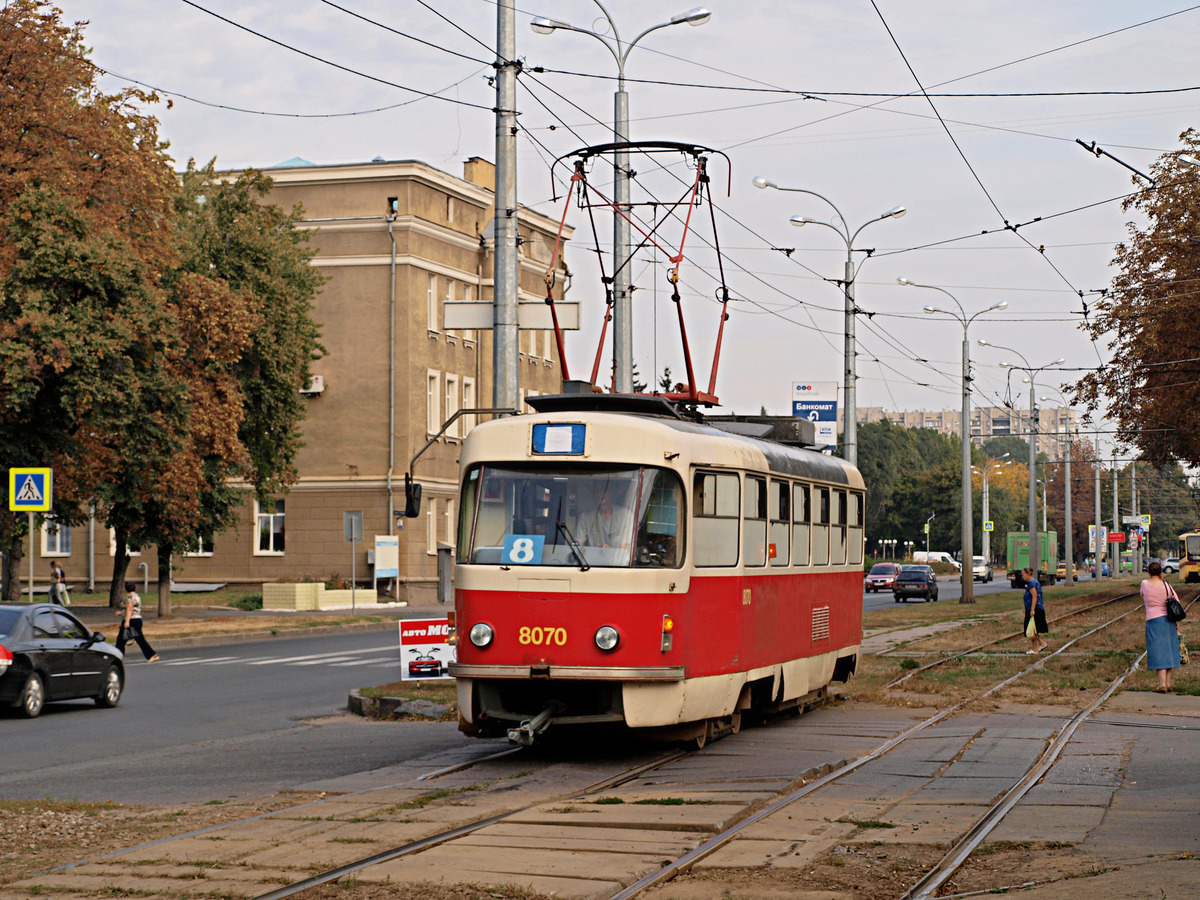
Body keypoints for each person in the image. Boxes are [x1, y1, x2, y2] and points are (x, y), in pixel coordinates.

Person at [1140, 560, 1180, 692]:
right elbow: (1177, 602)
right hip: (1168, 621)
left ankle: (1162, 684)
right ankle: (1168, 683)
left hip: (1153, 620)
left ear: (1148, 572)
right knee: (1169, 650)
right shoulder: (1167, 585)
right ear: (1161, 572)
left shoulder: (1145, 584)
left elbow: (1142, 595)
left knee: (1158, 651)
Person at [115, 581, 159, 663]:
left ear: (126, 589)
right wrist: (121, 613)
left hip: (131, 620)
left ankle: (118, 658)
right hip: (137, 619)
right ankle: (152, 655)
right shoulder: (136, 596)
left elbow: (129, 609)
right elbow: (134, 609)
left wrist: (127, 622)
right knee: (139, 639)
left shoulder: (129, 597)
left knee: (120, 641)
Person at [577, 483, 629, 549]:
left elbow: (625, 549)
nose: (600, 494)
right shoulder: (585, 517)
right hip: (592, 558)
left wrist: (609, 551)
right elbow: (579, 545)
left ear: (611, 492)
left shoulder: (625, 515)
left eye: (603, 490)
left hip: (616, 558)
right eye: (597, 490)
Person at [1022, 566, 1048, 654]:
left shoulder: (1031, 583)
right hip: (1036, 608)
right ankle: (1042, 643)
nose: (1022, 576)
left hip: (1034, 609)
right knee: (1033, 629)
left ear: (1028, 574)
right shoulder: (1033, 582)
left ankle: (1036, 649)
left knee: (1031, 630)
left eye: (1023, 574)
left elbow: (1034, 596)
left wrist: (1032, 610)